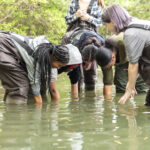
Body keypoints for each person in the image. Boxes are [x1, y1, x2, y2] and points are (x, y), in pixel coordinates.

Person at [0, 31, 82, 104]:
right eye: (59, 65)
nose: (57, 68)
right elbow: (35, 83)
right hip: (4, 46)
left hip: (7, 44)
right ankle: (15, 116)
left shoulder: (49, 51)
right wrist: (39, 112)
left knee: (18, 82)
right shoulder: (38, 58)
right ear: (55, 58)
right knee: (21, 86)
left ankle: (11, 105)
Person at [100, 4, 150, 105]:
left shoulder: (130, 34)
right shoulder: (139, 23)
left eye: (106, 25)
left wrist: (128, 90)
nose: (108, 30)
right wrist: (132, 83)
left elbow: (133, 64)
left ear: (113, 21)